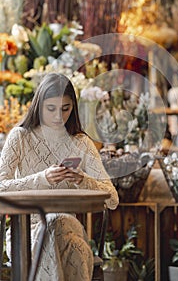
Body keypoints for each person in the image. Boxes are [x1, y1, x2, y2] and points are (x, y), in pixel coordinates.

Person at [0, 72, 119, 281]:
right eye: (51, 109)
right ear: (38, 105)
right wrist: (42, 178)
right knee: (74, 249)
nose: (58, 116)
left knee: (58, 222)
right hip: (25, 233)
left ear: (73, 107)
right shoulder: (20, 137)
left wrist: (83, 180)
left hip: (68, 225)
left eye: (65, 109)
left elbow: (112, 198)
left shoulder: (81, 142)